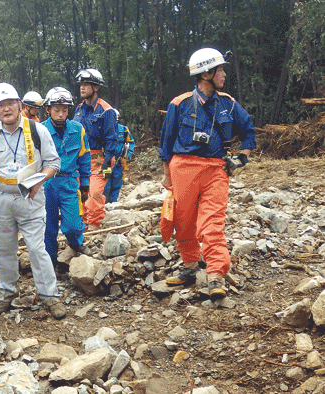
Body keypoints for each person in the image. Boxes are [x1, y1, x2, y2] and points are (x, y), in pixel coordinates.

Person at [159, 47, 256, 300]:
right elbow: (166, 144)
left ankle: (215, 275)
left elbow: (248, 132)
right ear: (206, 73)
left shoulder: (229, 103)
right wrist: (167, 175)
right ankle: (190, 267)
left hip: (216, 169)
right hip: (182, 169)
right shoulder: (179, 104)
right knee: (183, 221)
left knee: (211, 223)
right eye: (220, 69)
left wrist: (241, 158)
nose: (224, 74)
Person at [0, 82, 66, 319]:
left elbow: (53, 163)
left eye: (10, 104)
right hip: (1, 197)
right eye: (1, 105)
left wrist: (39, 181)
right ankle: (6, 292)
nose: (6, 109)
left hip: (31, 197)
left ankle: (50, 296)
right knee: (4, 249)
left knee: (37, 249)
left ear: (18, 105)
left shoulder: (37, 131)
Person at [41, 87, 93, 272]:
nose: (61, 114)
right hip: (46, 183)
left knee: (72, 223)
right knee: (49, 225)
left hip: (70, 182)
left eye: (64, 110)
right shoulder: (40, 130)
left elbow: (84, 157)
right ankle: (51, 258)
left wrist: (85, 183)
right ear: (48, 109)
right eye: (57, 110)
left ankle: (76, 243)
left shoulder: (77, 129)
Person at [73, 68, 120, 231]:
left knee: (94, 193)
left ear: (96, 87)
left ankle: (94, 225)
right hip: (81, 160)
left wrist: (108, 162)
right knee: (81, 192)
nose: (82, 88)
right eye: (81, 85)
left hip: (101, 158)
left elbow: (111, 139)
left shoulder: (106, 111)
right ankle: (84, 223)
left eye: (86, 84)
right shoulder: (79, 110)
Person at [103, 123, 135, 203]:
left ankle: (113, 204)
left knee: (117, 184)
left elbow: (131, 143)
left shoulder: (123, 130)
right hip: (105, 163)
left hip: (119, 163)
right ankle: (104, 205)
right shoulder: (102, 128)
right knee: (105, 185)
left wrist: (127, 155)